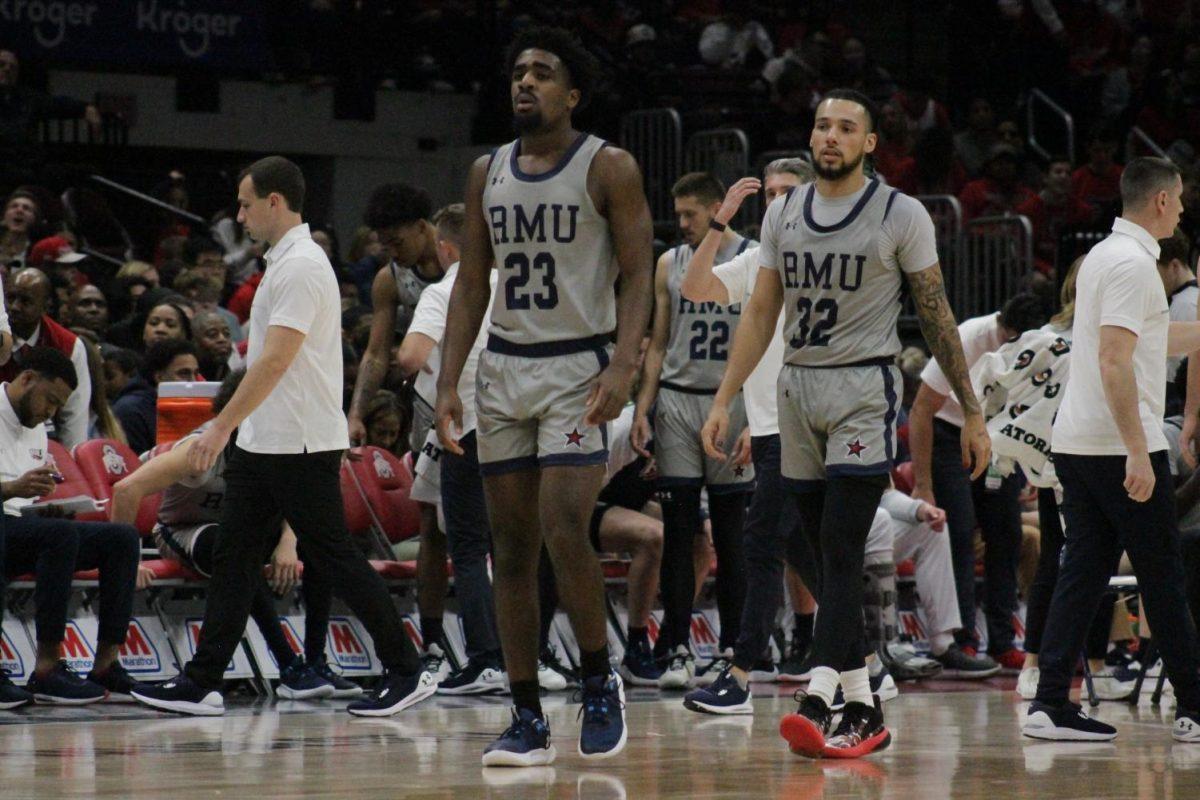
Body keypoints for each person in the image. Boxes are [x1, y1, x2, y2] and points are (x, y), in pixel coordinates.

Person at [700, 88, 988, 759]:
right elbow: (761, 312)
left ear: (868, 144)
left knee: (838, 539)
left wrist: (971, 408)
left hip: (863, 384)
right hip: (796, 386)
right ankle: (862, 700)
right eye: (822, 125)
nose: (829, 135)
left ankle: (819, 687)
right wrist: (724, 398)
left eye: (845, 127)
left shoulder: (901, 214)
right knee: (812, 539)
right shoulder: (785, 214)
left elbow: (939, 315)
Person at [130, 156, 434, 718]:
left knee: (335, 557)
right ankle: (203, 680)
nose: (239, 215)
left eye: (246, 204)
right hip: (263, 440)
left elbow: (273, 362)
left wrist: (220, 425)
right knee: (236, 556)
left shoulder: (301, 266)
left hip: (297, 441)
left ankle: (406, 670)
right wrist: (238, 428)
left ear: (275, 202)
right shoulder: (281, 265)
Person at [436, 27, 652, 766]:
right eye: (518, 71)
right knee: (512, 546)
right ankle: (525, 711)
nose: (524, 82)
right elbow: (471, 284)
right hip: (504, 370)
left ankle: (599, 680)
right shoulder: (485, 172)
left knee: (566, 524)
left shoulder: (609, 167)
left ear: (573, 93)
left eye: (542, 72)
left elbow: (638, 274)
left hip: (576, 369)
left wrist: (625, 362)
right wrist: (447, 381)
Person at [1022, 157, 1200, 743]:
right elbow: (1113, 360)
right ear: (1160, 202)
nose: (1181, 207)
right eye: (1178, 198)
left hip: (1079, 441)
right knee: (1163, 576)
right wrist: (1137, 451)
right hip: (1115, 444)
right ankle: (1195, 706)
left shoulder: (1106, 255)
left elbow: (1146, 338)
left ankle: (1050, 702)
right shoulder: (1131, 265)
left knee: (1084, 572)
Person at [671, 159, 822, 711]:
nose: (778, 201)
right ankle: (868, 663)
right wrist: (720, 223)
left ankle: (741, 674)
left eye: (789, 191)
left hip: (813, 425)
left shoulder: (832, 259)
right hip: (770, 425)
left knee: (761, 542)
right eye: (772, 193)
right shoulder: (759, 258)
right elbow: (696, 287)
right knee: (804, 551)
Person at [112, 370, 359, 701]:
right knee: (234, 547)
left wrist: (288, 543)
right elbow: (127, 489)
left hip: (238, 531)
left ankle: (315, 661)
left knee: (316, 546)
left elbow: (295, 501)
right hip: (184, 530)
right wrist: (127, 561)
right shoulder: (199, 449)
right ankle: (288, 665)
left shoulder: (268, 450)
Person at [632, 171, 754, 690]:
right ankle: (678, 644)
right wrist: (644, 406)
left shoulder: (751, 259)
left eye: (690, 215)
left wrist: (759, 415)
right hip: (679, 401)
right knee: (679, 533)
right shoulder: (670, 263)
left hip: (731, 402)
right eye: (678, 214)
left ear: (715, 210)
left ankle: (734, 645)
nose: (680, 224)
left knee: (730, 533)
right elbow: (657, 344)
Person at [396, 203, 506, 695]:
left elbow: (411, 355)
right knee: (517, 548)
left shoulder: (445, 290)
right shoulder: (510, 286)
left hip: (467, 429)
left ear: (445, 248)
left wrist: (441, 380)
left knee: (466, 546)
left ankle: (484, 657)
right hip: (519, 430)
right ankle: (532, 654)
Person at [0, 347, 146, 708]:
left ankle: (106, 664)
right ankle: (47, 668)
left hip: (22, 525)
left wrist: (49, 507)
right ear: (27, 379)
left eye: (57, 407)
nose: (51, 412)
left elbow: (24, 504)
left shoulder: (35, 429)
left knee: (121, 538)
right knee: (59, 536)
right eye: (49, 400)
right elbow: (12, 493)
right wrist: (11, 489)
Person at [909, 294, 1047, 675]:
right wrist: (923, 483)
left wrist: (1031, 464)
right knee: (959, 534)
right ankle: (963, 638)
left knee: (1006, 532)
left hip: (997, 440)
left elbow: (1036, 408)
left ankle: (1003, 641)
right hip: (948, 436)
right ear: (1001, 325)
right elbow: (920, 409)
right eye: (1010, 340)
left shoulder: (1041, 347)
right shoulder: (967, 339)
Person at [1, 268, 92, 449]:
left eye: (25, 301)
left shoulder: (69, 345)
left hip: (42, 439)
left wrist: (71, 468)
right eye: (10, 298)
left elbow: (74, 418)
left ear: (46, 306)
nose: (14, 307)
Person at [112, 338, 199, 455]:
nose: (193, 381)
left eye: (195, 373)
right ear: (159, 377)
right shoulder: (130, 411)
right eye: (184, 373)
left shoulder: (191, 406)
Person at [1016, 156, 1097, 274]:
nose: (1063, 176)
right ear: (1045, 177)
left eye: (1068, 173)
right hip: (1039, 270)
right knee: (1039, 283)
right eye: (1058, 172)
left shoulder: (1082, 210)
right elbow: (1023, 251)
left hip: (1074, 269)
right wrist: (1046, 269)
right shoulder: (1028, 209)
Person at [191, 310, 237, 383]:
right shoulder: (188, 378)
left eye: (226, 334)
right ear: (194, 341)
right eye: (212, 335)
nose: (222, 339)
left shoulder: (234, 379)